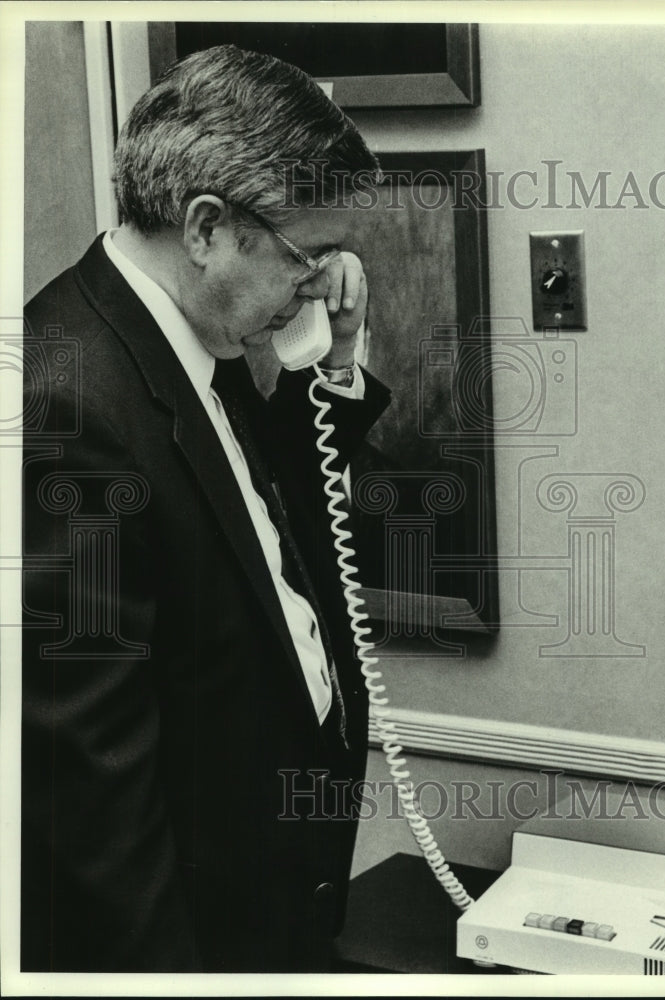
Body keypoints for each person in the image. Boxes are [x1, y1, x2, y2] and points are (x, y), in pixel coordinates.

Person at [21, 45, 390, 973]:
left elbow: (280, 550)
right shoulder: (66, 399)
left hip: (271, 908)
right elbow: (89, 785)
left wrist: (331, 359)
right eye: (307, 258)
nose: (318, 282)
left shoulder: (194, 347)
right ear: (205, 226)